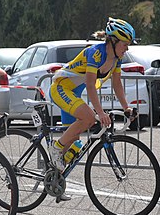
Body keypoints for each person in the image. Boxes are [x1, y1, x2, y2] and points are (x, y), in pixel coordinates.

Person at [49, 17, 136, 172]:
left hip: (73, 93)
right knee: (89, 118)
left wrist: (126, 108)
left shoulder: (117, 59)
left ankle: (54, 181)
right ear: (113, 41)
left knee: (73, 145)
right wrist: (100, 112)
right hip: (61, 89)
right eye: (125, 44)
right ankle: (55, 148)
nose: (127, 49)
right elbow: (90, 85)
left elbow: (117, 84)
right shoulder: (96, 53)